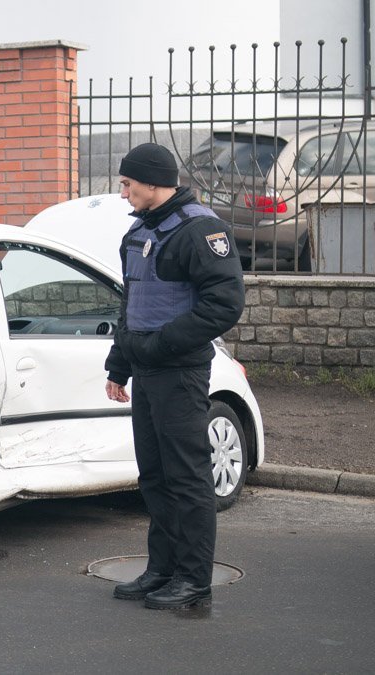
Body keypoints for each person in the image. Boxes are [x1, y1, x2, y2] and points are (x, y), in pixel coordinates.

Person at [104, 142, 245, 610]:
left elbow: (224, 305)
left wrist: (164, 344)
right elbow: (132, 305)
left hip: (180, 372)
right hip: (145, 370)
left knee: (187, 478)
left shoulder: (200, 230)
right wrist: (119, 364)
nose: (123, 193)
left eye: (127, 184)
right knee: (155, 477)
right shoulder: (139, 233)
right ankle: (162, 569)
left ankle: (193, 580)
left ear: (152, 181)